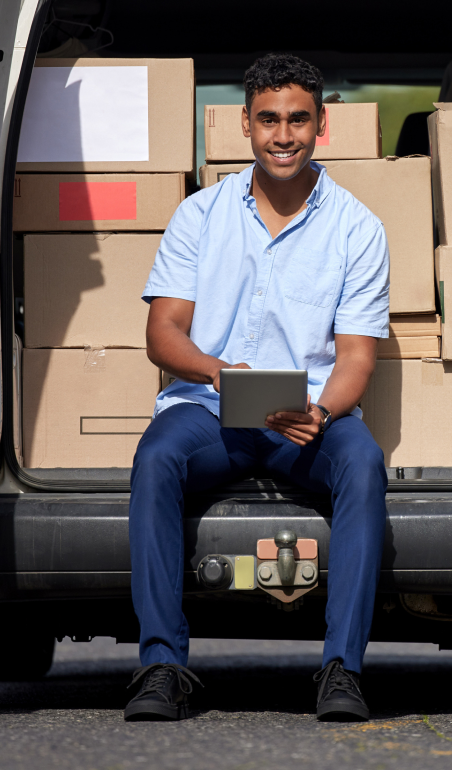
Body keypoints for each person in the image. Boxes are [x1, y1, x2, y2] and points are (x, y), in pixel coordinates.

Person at [124, 54, 390, 723]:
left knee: (363, 463)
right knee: (156, 458)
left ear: (320, 124)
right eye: (268, 119)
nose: (283, 134)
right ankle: (161, 665)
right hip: (212, 412)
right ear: (244, 123)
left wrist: (323, 412)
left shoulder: (357, 226)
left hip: (307, 423)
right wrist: (220, 373)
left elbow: (358, 357)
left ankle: (341, 669)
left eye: (298, 119)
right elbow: (164, 333)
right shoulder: (199, 215)